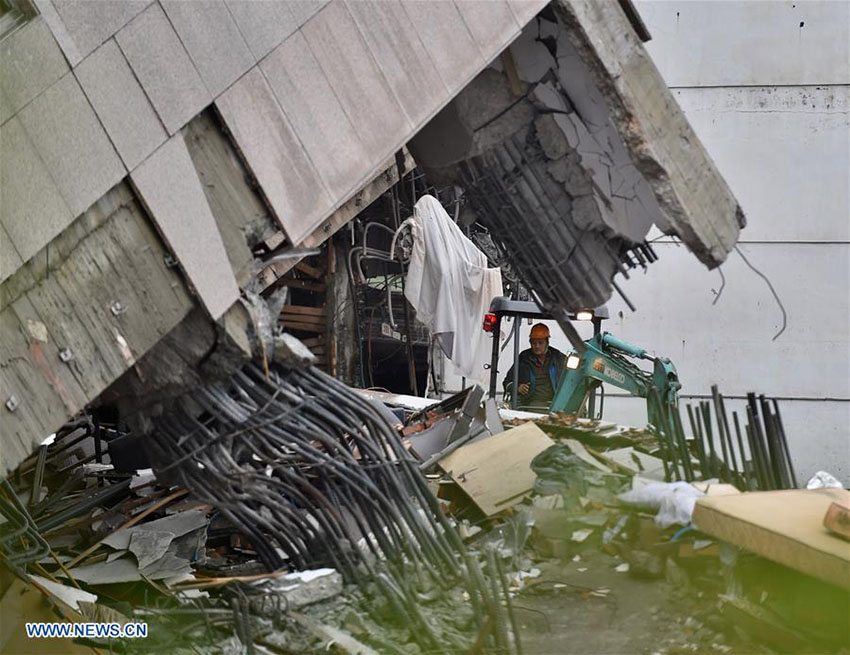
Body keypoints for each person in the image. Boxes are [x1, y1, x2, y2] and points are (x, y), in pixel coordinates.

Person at [502, 323, 567, 411]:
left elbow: (571, 380)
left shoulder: (558, 357)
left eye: (540, 343)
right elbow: (507, 382)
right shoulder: (524, 358)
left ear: (547, 342)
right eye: (534, 343)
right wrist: (517, 387)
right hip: (530, 404)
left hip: (555, 403)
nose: (537, 346)